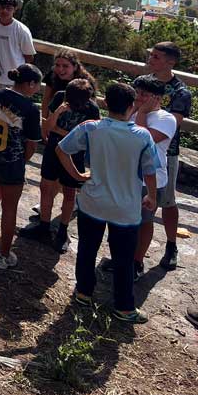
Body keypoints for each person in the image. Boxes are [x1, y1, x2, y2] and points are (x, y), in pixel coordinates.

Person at [56, 81, 158, 324]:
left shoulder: (90, 128)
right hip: (125, 208)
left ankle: (83, 293)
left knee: (87, 250)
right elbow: (150, 170)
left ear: (104, 103)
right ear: (132, 106)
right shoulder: (142, 136)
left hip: (92, 202)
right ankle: (124, 307)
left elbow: (62, 149)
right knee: (123, 259)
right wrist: (152, 196)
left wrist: (77, 176)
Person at [0, 64, 43, 270]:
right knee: (9, 208)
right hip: (11, 163)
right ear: (30, 84)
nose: (38, 89)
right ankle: (4, 255)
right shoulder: (30, 109)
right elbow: (31, 144)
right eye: (37, 85)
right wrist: (23, 159)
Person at [23, 77, 101, 253]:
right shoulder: (60, 98)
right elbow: (48, 126)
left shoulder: (92, 109)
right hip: (53, 148)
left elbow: (90, 137)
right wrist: (58, 112)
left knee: (69, 192)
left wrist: (60, 130)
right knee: (45, 186)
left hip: (75, 154)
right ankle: (43, 225)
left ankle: (62, 231)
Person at [145, 40, 191, 271]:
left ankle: (171, 245)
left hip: (166, 154)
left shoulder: (181, 92)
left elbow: (170, 127)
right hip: (139, 149)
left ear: (170, 62)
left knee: (167, 202)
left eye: (156, 57)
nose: (150, 60)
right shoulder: (143, 83)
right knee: (143, 204)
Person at [129, 75, 177, 279]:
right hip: (127, 175)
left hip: (151, 179)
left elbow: (144, 139)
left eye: (144, 94)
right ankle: (123, 258)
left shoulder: (166, 119)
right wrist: (135, 110)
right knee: (124, 220)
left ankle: (136, 261)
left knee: (144, 221)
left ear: (157, 98)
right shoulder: (132, 110)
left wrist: (140, 113)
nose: (139, 97)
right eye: (137, 92)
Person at [0, 0, 36, 87]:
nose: (5, 11)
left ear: (15, 9)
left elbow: (29, 57)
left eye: (9, 8)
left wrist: (21, 77)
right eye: (2, 7)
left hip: (13, 82)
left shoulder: (22, 30)